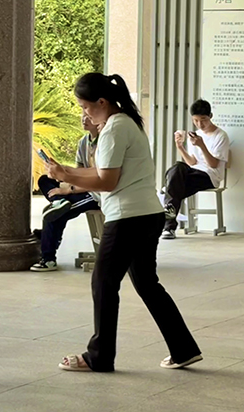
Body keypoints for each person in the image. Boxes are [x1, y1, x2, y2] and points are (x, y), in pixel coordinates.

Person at [46, 73, 202, 372]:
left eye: (85, 106)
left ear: (102, 102)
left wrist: (66, 175)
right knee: (147, 284)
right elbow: (104, 172)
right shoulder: (125, 123)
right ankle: (183, 349)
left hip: (128, 218)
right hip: (146, 214)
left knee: (103, 283)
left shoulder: (115, 129)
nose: (85, 114)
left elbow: (107, 181)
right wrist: (66, 173)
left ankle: (99, 357)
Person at [31, 116, 102, 272]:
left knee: (53, 215)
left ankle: (48, 259)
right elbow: (79, 173)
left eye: (89, 116)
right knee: (45, 180)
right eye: (83, 113)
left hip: (97, 194)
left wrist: (68, 189)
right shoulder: (84, 142)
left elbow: (100, 179)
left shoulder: (105, 142)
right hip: (81, 187)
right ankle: (59, 202)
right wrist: (61, 175)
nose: (84, 118)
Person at [161, 99, 230, 239]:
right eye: (196, 120)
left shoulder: (221, 136)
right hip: (194, 172)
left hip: (210, 176)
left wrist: (201, 145)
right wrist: (180, 147)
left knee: (173, 188)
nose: (200, 124)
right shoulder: (196, 135)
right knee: (178, 167)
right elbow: (192, 162)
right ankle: (169, 225)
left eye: (203, 120)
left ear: (210, 116)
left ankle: (168, 225)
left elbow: (213, 165)